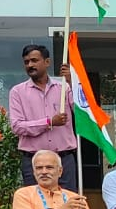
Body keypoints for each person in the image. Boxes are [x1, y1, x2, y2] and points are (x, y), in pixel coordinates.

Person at [7, 44, 78, 189]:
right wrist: (49, 122)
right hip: (34, 161)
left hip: (63, 159)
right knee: (36, 201)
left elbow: (81, 111)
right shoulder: (17, 92)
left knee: (67, 200)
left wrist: (72, 83)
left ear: (47, 62)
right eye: (26, 62)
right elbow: (17, 126)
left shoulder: (64, 87)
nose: (30, 65)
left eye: (34, 60)